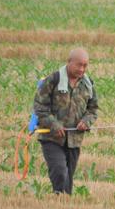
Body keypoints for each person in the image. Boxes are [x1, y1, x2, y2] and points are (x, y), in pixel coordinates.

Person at [34, 48, 98, 195]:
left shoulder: (88, 84)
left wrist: (86, 122)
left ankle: (62, 205)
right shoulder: (53, 80)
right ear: (69, 62)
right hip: (52, 138)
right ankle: (59, 198)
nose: (82, 69)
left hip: (74, 140)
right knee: (60, 172)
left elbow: (93, 109)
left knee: (68, 181)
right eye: (78, 65)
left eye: (85, 65)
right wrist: (54, 124)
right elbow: (40, 107)